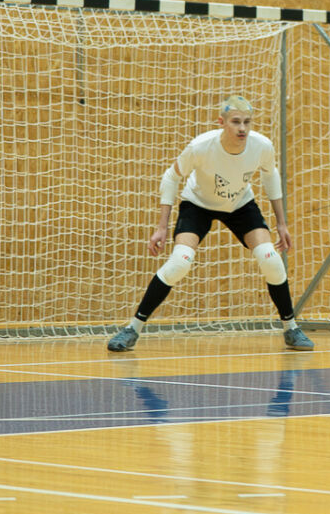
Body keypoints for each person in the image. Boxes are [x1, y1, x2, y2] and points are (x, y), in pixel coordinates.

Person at [107, 97, 314, 353]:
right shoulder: (201, 146)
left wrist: (281, 223)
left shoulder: (261, 146)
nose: (242, 128)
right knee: (179, 262)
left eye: (247, 122)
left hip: (240, 206)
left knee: (270, 259)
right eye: (236, 122)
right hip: (198, 205)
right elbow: (171, 177)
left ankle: (291, 329)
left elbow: (270, 175)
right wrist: (161, 227)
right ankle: (132, 329)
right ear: (221, 122)